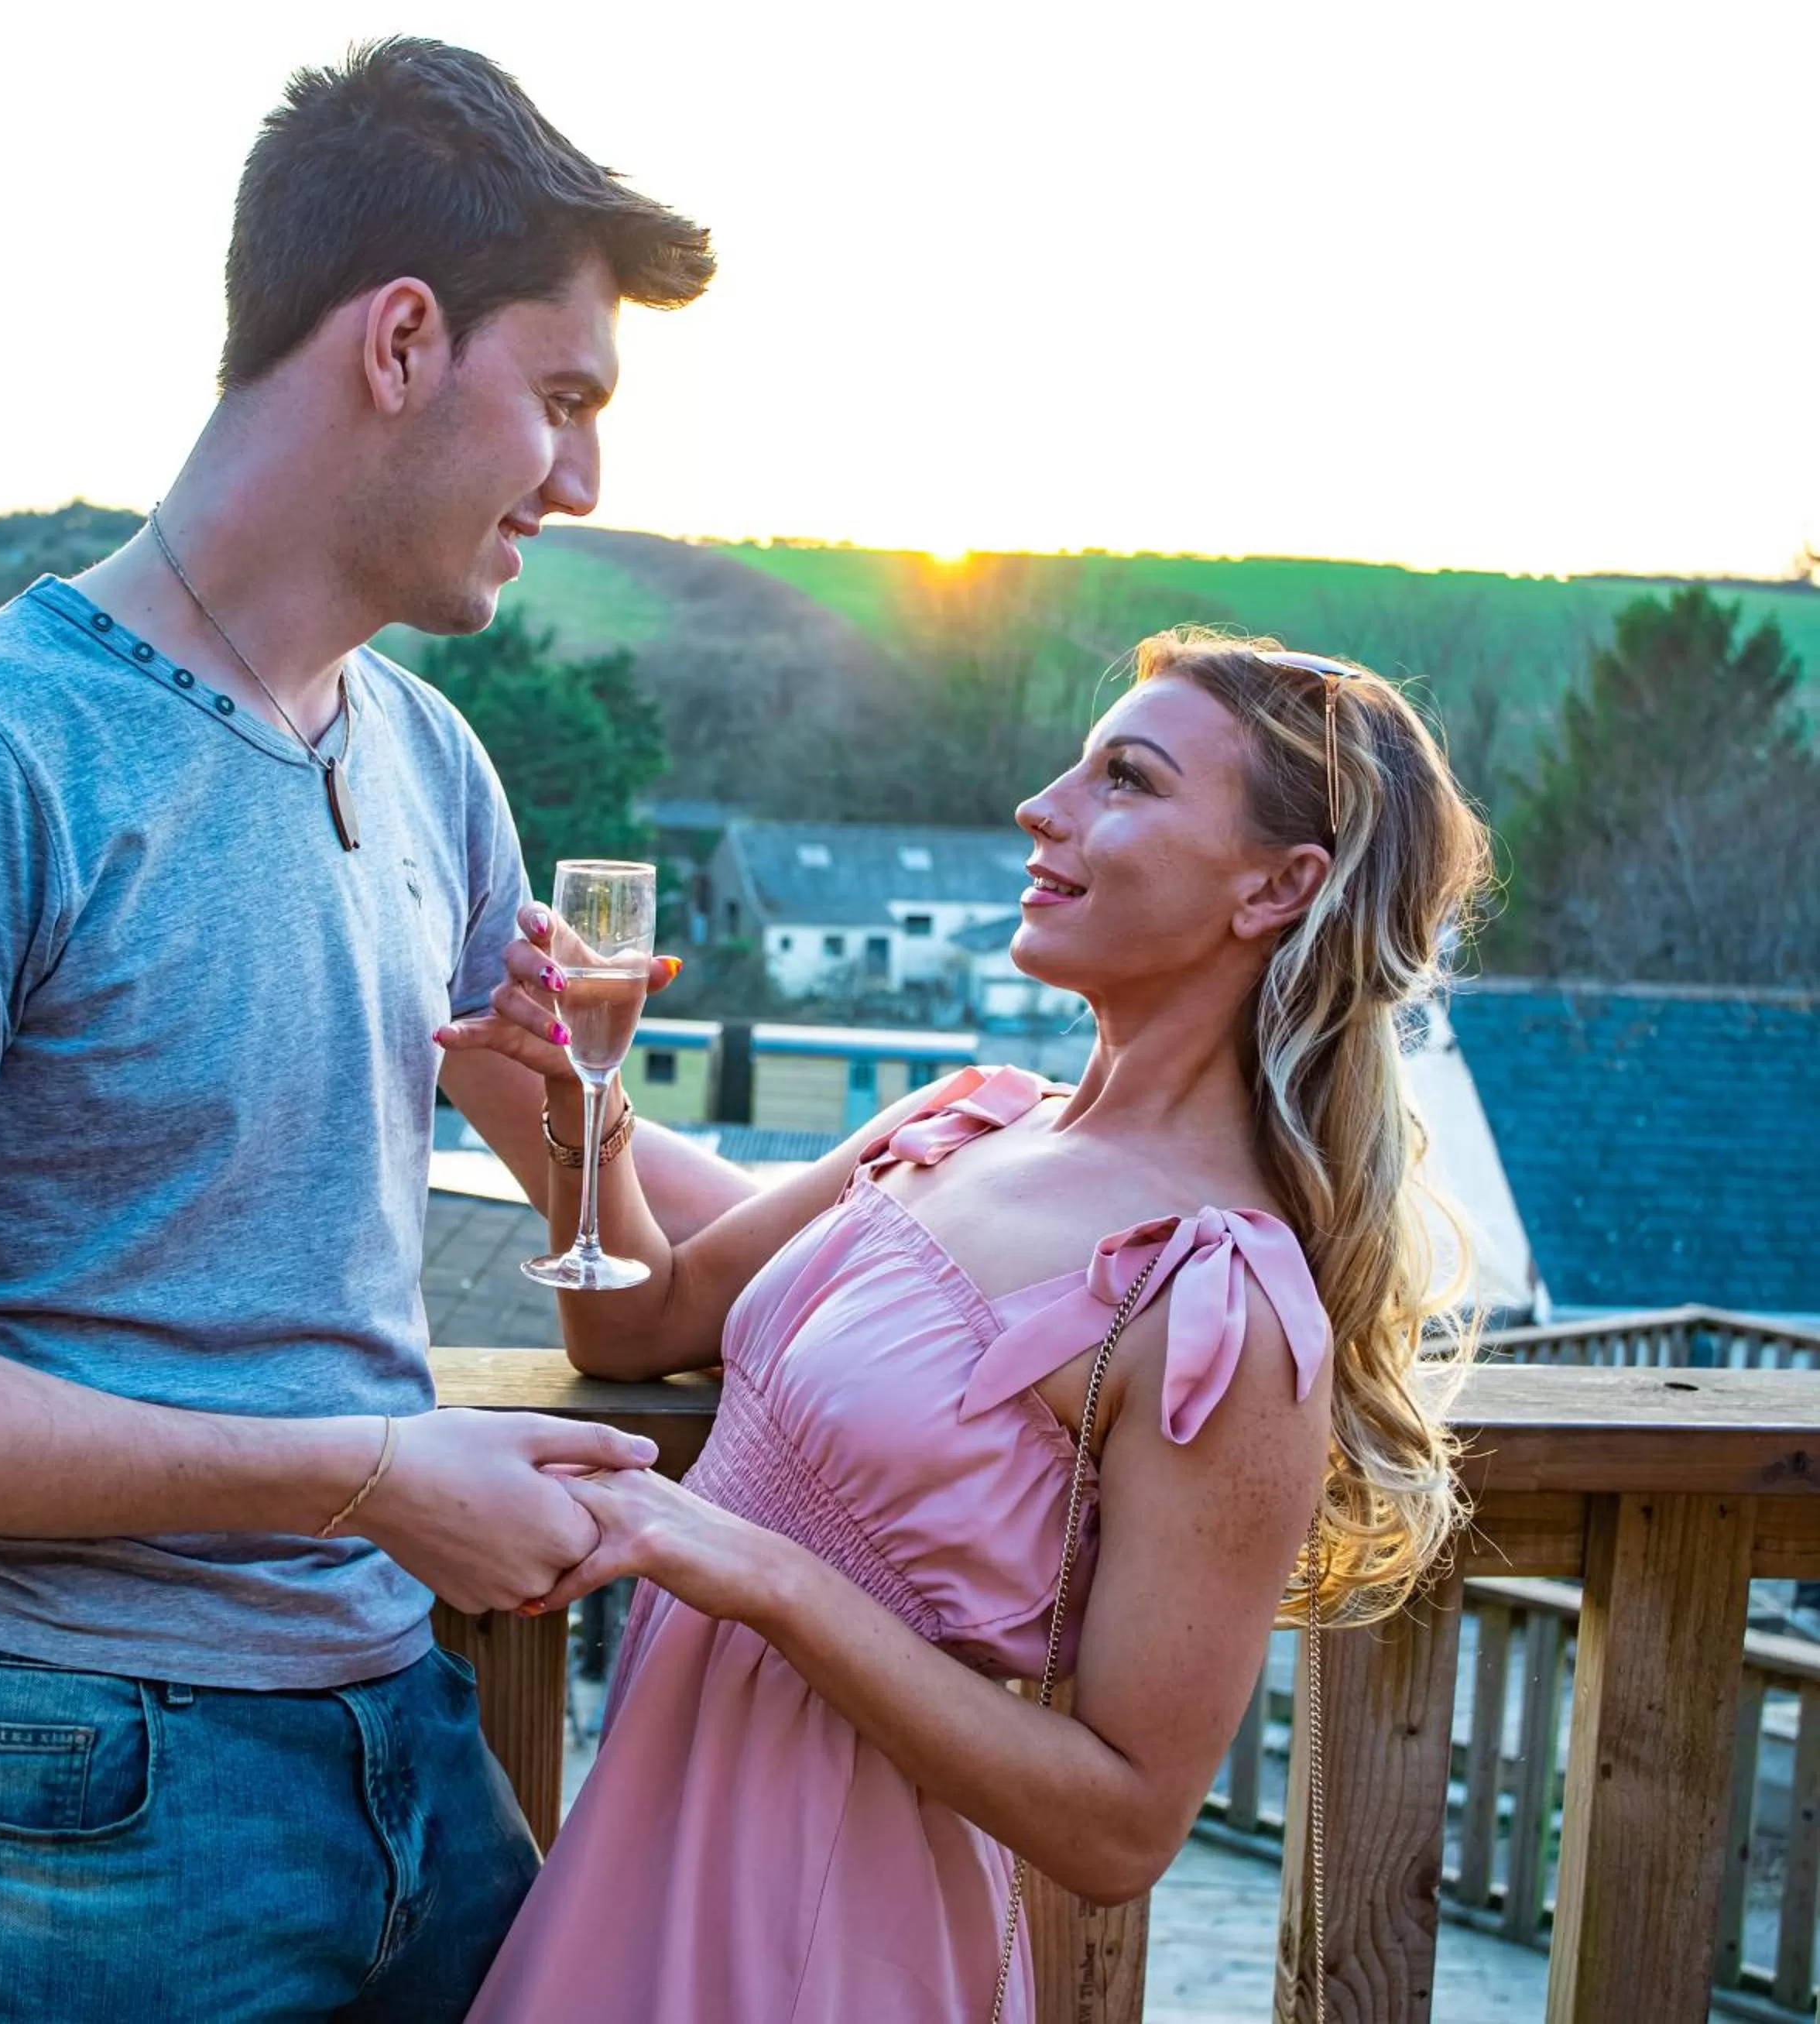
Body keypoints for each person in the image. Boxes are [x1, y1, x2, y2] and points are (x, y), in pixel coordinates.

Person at [0, 39, 749, 2024]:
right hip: (45, 1785)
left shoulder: (431, 762)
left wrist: (952, 1170)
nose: (589, 483)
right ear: (405, 340)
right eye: (568, 400)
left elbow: (629, 1274)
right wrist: (366, 1473)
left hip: (401, 1750)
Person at [441, 630, 1493, 2022]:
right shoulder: (966, 1120)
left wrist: (752, 1570)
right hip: (647, 1832)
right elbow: (648, 1323)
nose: (1040, 806)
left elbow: (1122, 1827)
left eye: (1125, 779)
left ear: (1277, 886)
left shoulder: (1213, 1301)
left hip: (824, 1922)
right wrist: (576, 1099)